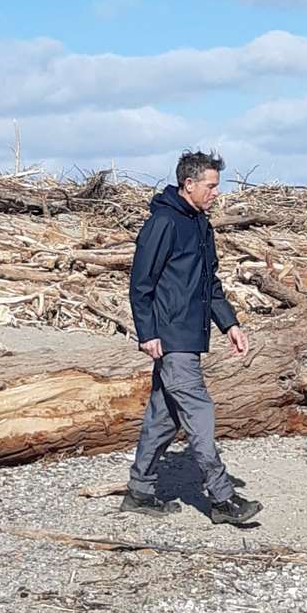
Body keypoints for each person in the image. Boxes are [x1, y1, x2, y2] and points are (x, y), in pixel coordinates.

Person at [125, 150, 262, 525]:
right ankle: (222, 499)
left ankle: (139, 491)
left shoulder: (201, 225)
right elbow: (140, 283)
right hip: (171, 339)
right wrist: (147, 333)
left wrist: (230, 325)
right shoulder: (163, 223)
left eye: (217, 186)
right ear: (188, 184)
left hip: (190, 335)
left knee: (163, 417)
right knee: (199, 413)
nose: (216, 193)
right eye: (211, 186)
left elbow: (209, 283)